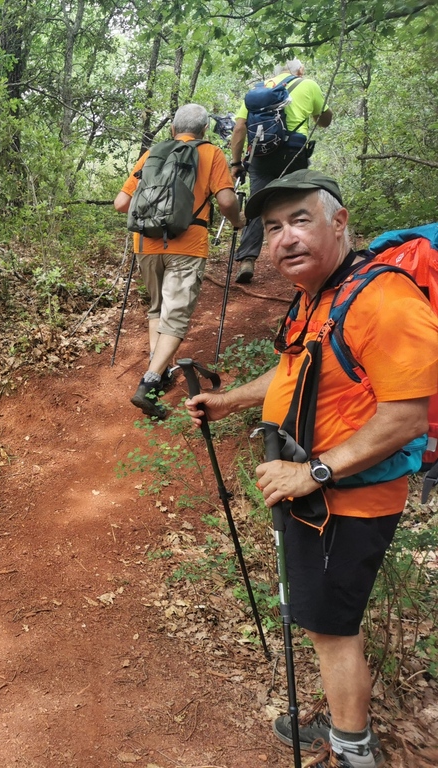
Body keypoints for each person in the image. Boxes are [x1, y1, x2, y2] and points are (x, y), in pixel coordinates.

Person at [186, 170, 438, 768]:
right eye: (273, 228)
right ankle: (344, 716)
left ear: (339, 221)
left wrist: (314, 474)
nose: (284, 238)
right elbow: (298, 372)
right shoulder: (323, 294)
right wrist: (231, 401)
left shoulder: (383, 298)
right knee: (329, 622)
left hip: (347, 499)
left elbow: (406, 417)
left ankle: (353, 748)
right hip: (319, 493)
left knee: (331, 628)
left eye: (301, 220)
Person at [114, 103, 245, 420]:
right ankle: (149, 382)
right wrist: (239, 220)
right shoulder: (210, 153)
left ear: (172, 130)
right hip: (187, 244)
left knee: (158, 309)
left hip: (145, 243)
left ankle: (159, 369)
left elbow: (121, 204)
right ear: (203, 131)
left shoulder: (153, 153)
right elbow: (226, 200)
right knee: (176, 316)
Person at [230, 59, 333, 284]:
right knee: (297, 203)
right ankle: (301, 256)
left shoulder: (258, 91)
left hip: (261, 155)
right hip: (294, 154)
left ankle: (247, 258)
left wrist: (236, 163)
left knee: (258, 204)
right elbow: (324, 120)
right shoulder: (309, 85)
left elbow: (239, 128)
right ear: (300, 70)